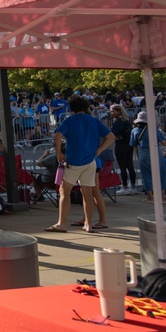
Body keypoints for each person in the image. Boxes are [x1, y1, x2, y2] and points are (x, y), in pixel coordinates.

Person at [47, 96, 114, 233]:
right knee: (87, 193)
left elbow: (57, 136)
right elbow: (111, 137)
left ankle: (62, 223)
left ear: (71, 108)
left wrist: (59, 152)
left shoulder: (70, 121)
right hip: (91, 160)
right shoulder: (94, 121)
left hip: (74, 160)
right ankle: (88, 224)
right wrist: (99, 150)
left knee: (65, 192)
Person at [131, 110, 166, 203]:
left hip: (143, 153)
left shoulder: (134, 130)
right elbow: (163, 142)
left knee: (146, 175)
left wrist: (138, 155)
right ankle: (162, 197)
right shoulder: (153, 129)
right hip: (155, 152)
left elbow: (134, 145)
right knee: (161, 174)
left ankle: (150, 197)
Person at [110, 104, 139, 195]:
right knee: (130, 165)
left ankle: (125, 186)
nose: (111, 113)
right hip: (128, 144)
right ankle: (133, 186)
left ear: (118, 111)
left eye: (113, 111)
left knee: (122, 166)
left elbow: (114, 133)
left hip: (120, 144)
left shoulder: (117, 122)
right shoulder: (126, 121)